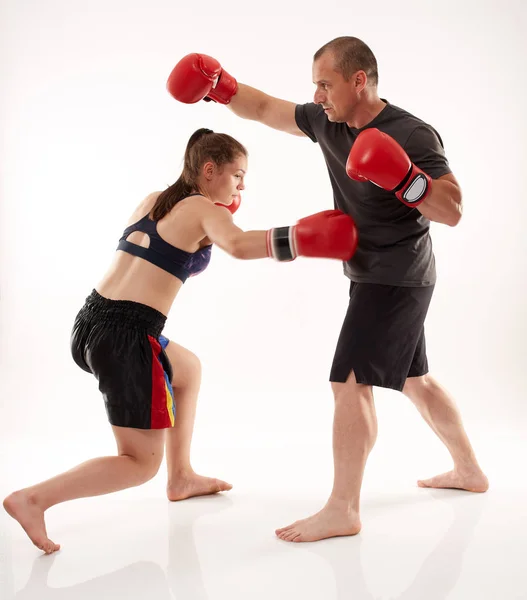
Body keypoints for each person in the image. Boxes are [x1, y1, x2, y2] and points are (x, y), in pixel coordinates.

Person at [166, 37, 490, 543]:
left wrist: (404, 177)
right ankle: (469, 470)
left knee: (349, 382)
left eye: (325, 83)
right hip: (375, 274)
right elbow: (266, 108)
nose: (317, 94)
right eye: (315, 85)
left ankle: (344, 507)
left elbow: (452, 210)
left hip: (396, 276)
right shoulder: (328, 121)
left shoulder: (410, 132)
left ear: (358, 80)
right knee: (415, 379)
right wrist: (219, 87)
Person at [2, 128, 358, 554]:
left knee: (187, 368)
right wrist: (301, 238)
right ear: (209, 171)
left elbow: (162, 254)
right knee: (137, 464)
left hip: (90, 321)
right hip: (126, 337)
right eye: (237, 176)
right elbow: (240, 246)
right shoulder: (202, 208)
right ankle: (34, 499)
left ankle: (182, 476)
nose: (242, 186)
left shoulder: (156, 199)